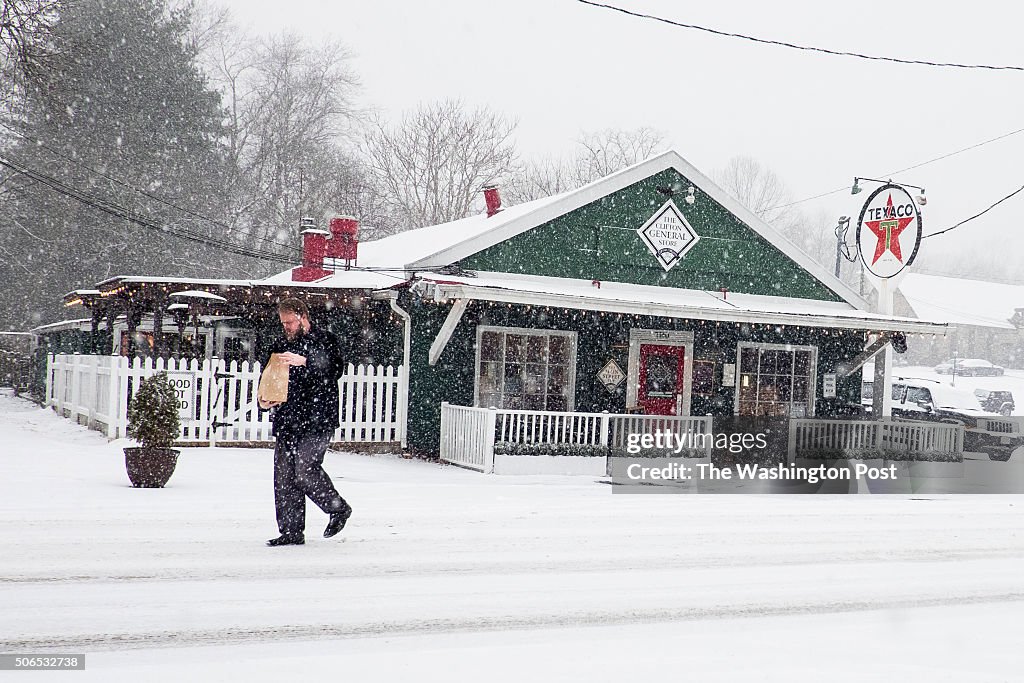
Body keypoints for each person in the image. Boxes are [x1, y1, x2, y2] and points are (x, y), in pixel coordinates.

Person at [259, 297, 351, 547]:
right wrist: (265, 398)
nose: (286, 327)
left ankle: (338, 508)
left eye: (289, 322)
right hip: (288, 419)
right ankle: (291, 532)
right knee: (285, 477)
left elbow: (334, 371)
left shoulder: (325, 340)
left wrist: (306, 362)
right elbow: (270, 376)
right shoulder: (280, 344)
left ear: (302, 316)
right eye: (283, 323)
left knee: (305, 469)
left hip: (318, 418)